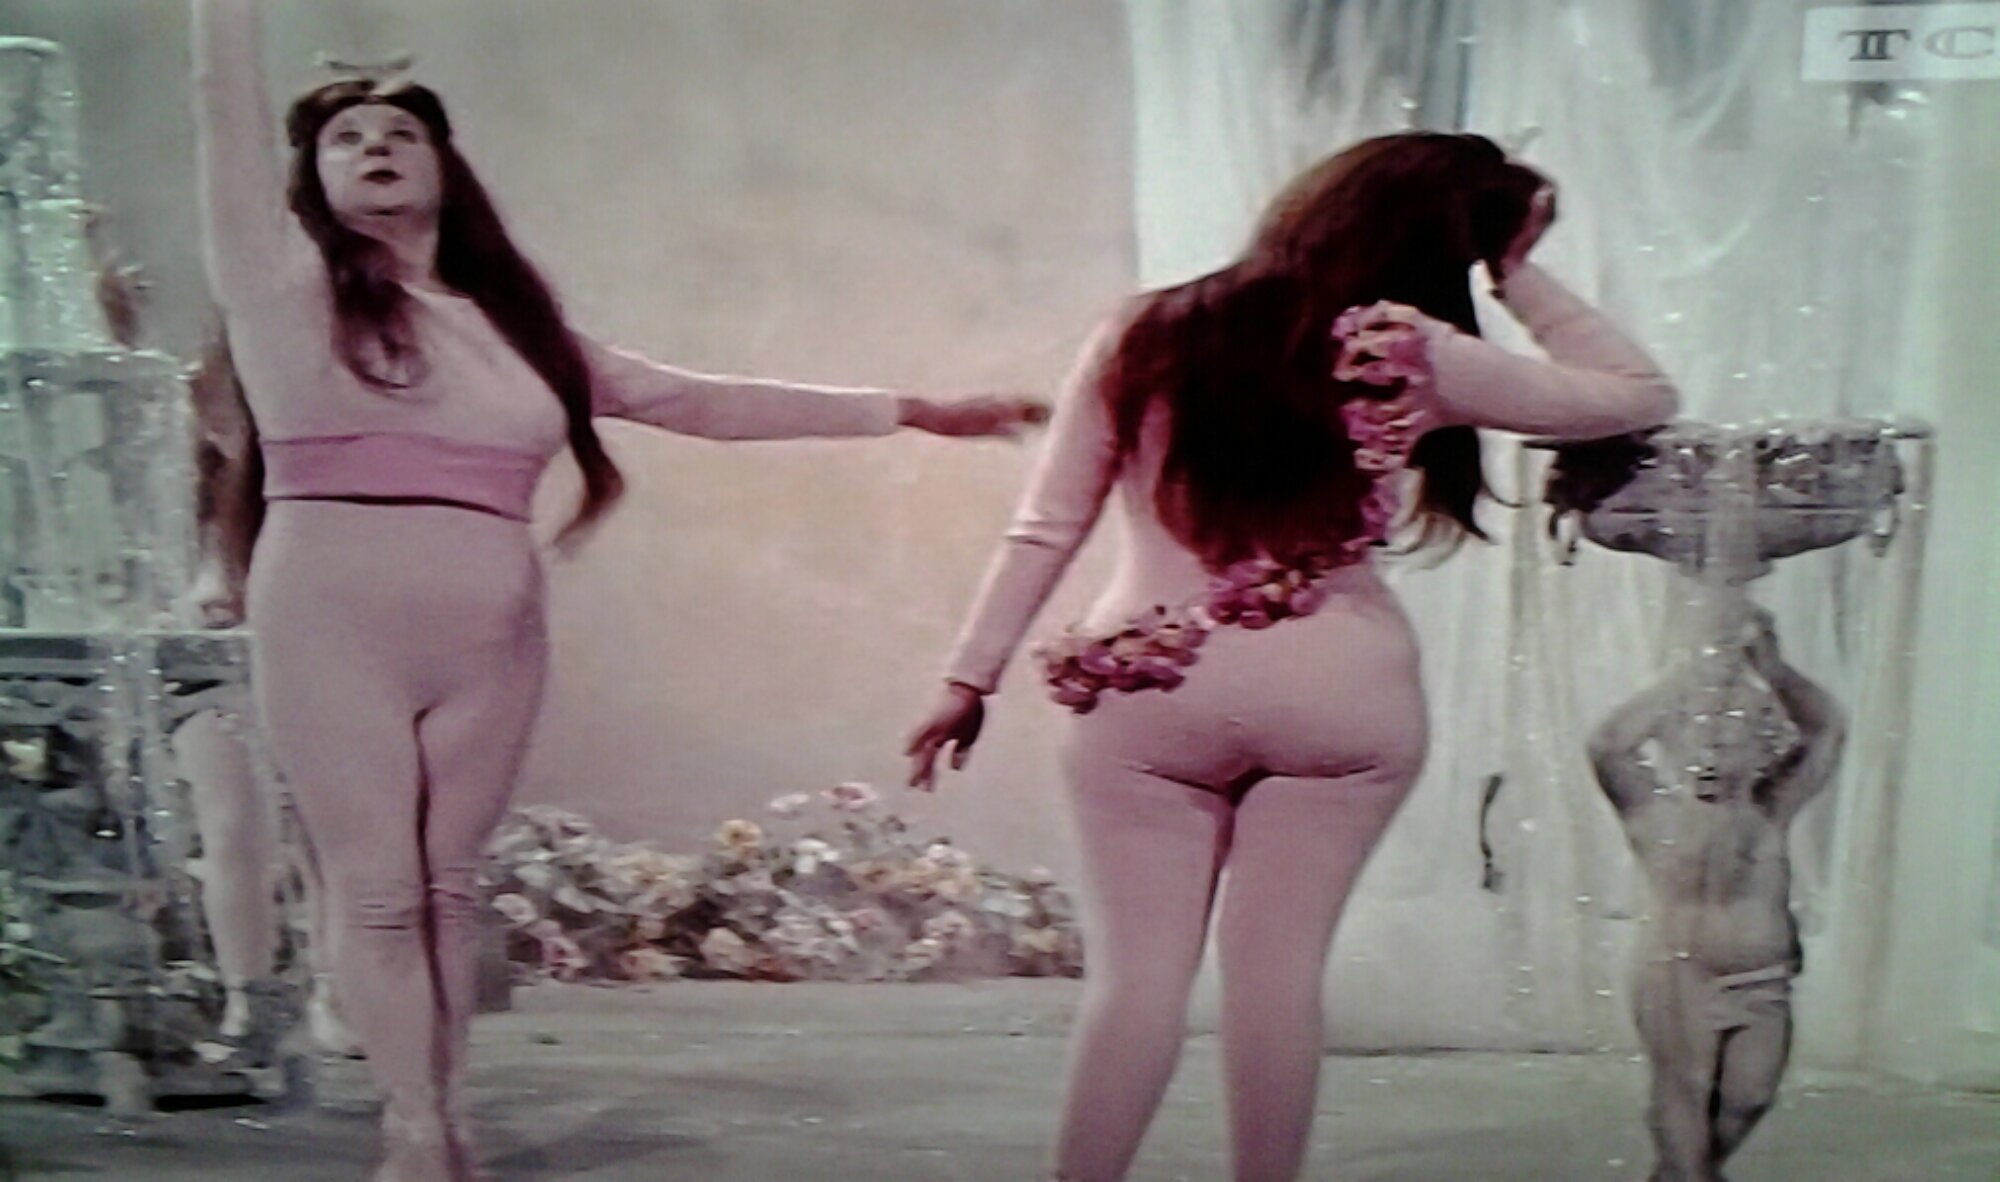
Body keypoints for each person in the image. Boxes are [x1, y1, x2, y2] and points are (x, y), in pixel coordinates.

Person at [192, 2, 1042, 1178]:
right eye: (346, 138)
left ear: (445, 171)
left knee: (446, 889)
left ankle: (445, 1107)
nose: (375, 146)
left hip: (489, 637)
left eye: (401, 134)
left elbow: (705, 401)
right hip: (330, 621)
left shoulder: (519, 331)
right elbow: (222, 121)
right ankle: (414, 1127)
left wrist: (914, 412)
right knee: (378, 890)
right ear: (309, 178)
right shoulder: (278, 293)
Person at [906, 132, 1680, 1182]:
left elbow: (1046, 525)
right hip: (1339, 692)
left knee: (1135, 985)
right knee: (1275, 979)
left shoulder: (1146, 330)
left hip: (1147, 688)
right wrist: (1515, 274)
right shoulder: (1411, 348)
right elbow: (1638, 392)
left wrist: (968, 678)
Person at [1587, 606, 1843, 1182]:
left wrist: (1772, 668)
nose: (1714, 745)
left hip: (1762, 980)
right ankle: (1686, 1172)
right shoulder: (1652, 808)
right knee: (1684, 1094)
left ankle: (1680, 1172)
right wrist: (1689, 674)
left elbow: (1826, 728)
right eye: (1701, 732)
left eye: (1732, 734)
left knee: (1749, 1098)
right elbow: (1608, 745)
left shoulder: (1772, 806)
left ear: (1763, 745)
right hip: (1679, 974)